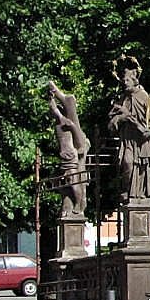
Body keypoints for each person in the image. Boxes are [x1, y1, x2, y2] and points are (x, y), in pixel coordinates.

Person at [109, 55, 150, 205]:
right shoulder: (122, 99)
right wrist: (120, 119)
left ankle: (139, 195)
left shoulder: (144, 97)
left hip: (142, 143)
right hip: (128, 142)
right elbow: (111, 125)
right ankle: (127, 191)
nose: (125, 83)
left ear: (134, 80)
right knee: (128, 163)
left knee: (141, 168)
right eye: (123, 81)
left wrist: (148, 130)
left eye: (127, 80)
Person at [48, 81, 90, 221]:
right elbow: (53, 109)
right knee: (67, 182)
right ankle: (75, 204)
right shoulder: (59, 122)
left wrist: (54, 96)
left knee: (73, 181)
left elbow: (77, 136)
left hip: (70, 155)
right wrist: (51, 98)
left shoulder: (64, 121)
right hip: (65, 155)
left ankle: (78, 204)